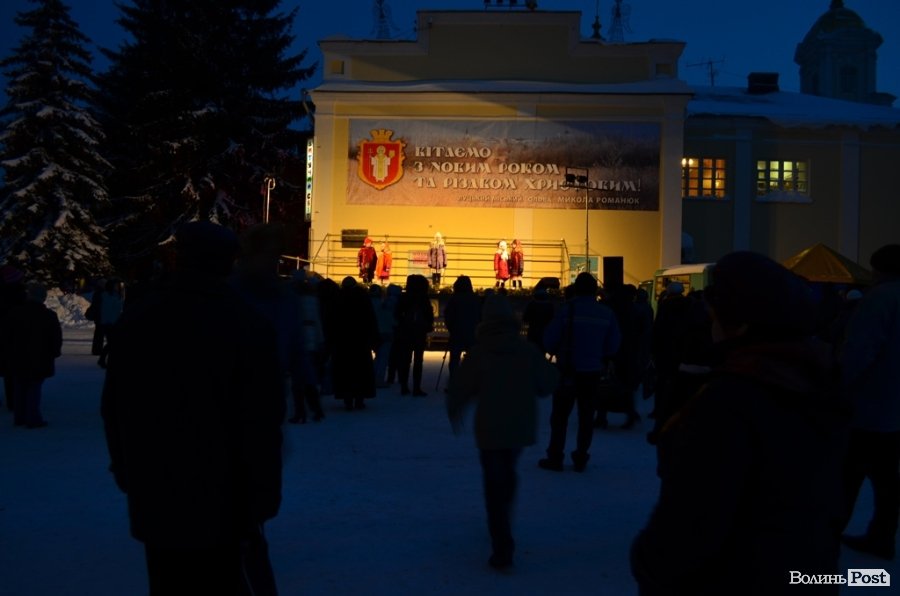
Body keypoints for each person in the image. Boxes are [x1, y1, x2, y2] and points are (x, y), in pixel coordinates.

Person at [631, 251, 849, 596]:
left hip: (735, 579)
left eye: (715, 313)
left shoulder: (728, 403)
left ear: (740, 324)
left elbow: (690, 525)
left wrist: (649, 565)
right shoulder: (820, 383)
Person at [101, 221, 285, 596]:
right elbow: (262, 421)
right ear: (229, 262)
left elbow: (115, 405)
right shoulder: (248, 325)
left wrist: (125, 467)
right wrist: (263, 492)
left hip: (156, 488)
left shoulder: (139, 318)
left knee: (167, 581)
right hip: (226, 497)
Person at [447, 294, 559, 570]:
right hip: (519, 426)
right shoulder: (527, 350)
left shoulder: (479, 353)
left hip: (490, 427)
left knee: (493, 481)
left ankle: (501, 541)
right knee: (507, 472)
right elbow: (547, 383)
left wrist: (455, 409)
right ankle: (504, 517)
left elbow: (460, 386)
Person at [839, 243, 900, 560]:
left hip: (870, 405)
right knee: (887, 480)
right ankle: (882, 535)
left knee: (847, 476)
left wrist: (838, 386)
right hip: (892, 409)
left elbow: (860, 351)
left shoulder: (880, 300)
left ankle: (824, 536)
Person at [538, 272, 621, 472]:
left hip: (567, 370)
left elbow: (549, 340)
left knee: (560, 417)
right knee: (586, 417)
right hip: (592, 372)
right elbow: (613, 345)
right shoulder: (606, 313)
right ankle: (581, 456)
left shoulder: (567, 310)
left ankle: (555, 456)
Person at [1, 282, 62, 428]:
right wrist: (54, 352)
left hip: (17, 356)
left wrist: (7, 352)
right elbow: (55, 338)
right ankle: (32, 417)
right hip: (40, 357)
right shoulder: (49, 316)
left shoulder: (15, 313)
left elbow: (6, 336)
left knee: (20, 386)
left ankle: (20, 416)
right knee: (34, 387)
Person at [333, 276, 379, 410]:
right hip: (360, 340)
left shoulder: (339, 297)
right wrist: (373, 338)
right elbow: (370, 319)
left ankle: (347, 398)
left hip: (344, 341)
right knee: (361, 371)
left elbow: (334, 320)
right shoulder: (362, 297)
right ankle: (359, 398)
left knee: (345, 371)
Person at [289, 270, 325, 424]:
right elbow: (317, 320)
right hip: (310, 340)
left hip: (296, 340)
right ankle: (315, 409)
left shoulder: (290, 297)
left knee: (298, 380)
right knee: (308, 378)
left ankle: (301, 412)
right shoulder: (312, 299)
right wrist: (320, 340)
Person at [394, 274, 434, 396]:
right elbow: (429, 314)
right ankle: (416, 387)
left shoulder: (404, 297)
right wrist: (427, 325)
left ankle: (404, 386)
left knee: (405, 359)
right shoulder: (424, 298)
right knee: (418, 361)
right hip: (419, 332)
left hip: (406, 331)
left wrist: (403, 322)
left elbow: (397, 314)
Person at [443, 275, 482, 385]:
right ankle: (472, 383)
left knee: (454, 361)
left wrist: (451, 328)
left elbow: (448, 315)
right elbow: (480, 316)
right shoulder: (475, 299)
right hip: (472, 333)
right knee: (473, 360)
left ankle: (454, 383)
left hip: (457, 333)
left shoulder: (454, 299)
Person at [0, 265, 26, 411]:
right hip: (14, 337)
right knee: (12, 372)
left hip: (6, 336)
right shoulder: (18, 294)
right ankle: (13, 400)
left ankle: (13, 400)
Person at [96, 278, 124, 368]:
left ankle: (103, 359)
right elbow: (114, 309)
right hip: (110, 323)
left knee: (112, 343)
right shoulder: (110, 296)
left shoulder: (108, 296)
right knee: (112, 343)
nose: (117, 287)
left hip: (110, 322)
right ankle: (103, 360)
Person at [522, 286, 554, 354]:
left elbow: (525, 318)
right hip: (544, 333)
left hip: (533, 333)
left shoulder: (532, 305)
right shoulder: (549, 306)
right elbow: (553, 320)